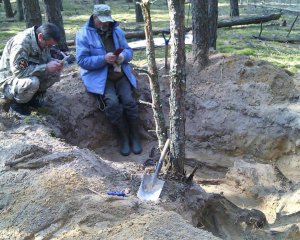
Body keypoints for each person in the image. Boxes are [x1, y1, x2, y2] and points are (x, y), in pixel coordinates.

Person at [76, 4, 142, 156]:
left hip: (120, 74)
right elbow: (82, 61)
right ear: (94, 17)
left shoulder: (117, 30)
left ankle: (135, 136)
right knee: (112, 103)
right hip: (100, 77)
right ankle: (123, 138)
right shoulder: (83, 34)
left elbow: (129, 51)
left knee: (129, 101)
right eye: (102, 21)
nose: (106, 24)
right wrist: (103, 59)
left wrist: (123, 56)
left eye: (107, 20)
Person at [0, 23, 64, 117]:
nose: (49, 47)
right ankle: (16, 105)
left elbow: (45, 59)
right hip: (8, 81)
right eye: (48, 45)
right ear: (40, 37)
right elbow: (19, 72)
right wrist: (46, 67)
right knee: (32, 82)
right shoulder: (21, 44)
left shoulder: (42, 42)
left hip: (26, 74)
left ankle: (32, 99)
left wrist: (55, 63)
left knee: (54, 74)